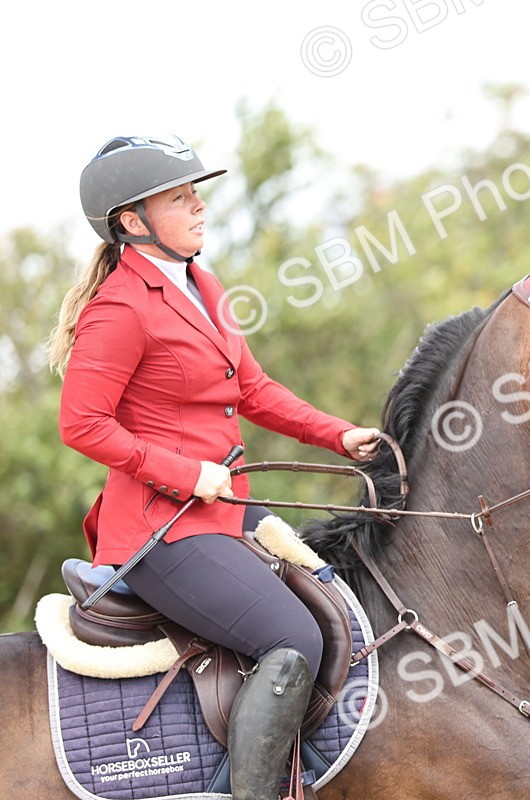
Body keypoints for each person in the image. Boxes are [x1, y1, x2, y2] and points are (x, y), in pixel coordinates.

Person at [49, 134, 379, 800]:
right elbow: (81, 424)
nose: (199, 206)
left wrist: (337, 435)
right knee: (293, 638)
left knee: (342, 601)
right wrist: (183, 471)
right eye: (180, 198)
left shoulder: (202, 282)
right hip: (161, 529)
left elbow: (252, 390)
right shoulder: (120, 306)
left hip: (222, 512)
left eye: (196, 193)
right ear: (132, 222)